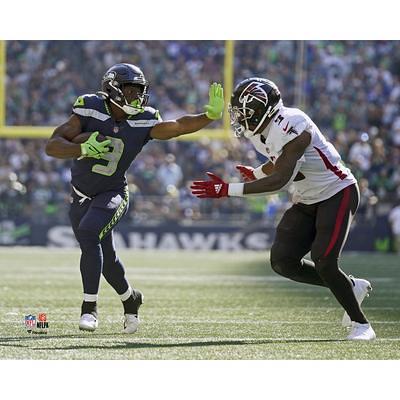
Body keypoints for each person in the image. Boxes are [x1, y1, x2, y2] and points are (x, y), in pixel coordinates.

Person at [191, 77, 375, 341]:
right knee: (282, 261)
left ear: (263, 109)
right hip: (306, 198)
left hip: (337, 192)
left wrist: (226, 189)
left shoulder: (293, 124)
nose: (240, 119)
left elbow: (280, 179)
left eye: (245, 114)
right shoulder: (262, 131)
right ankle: (351, 286)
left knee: (323, 259)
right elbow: (278, 161)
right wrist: (256, 172)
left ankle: (362, 325)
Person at [45, 63, 224, 333]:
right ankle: (131, 299)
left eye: (139, 91)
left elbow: (177, 127)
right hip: (80, 195)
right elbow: (52, 145)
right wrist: (81, 148)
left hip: (113, 192)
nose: (136, 97)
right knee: (108, 259)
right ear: (112, 89)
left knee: (90, 232)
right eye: (130, 90)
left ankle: (89, 308)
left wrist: (208, 116)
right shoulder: (89, 108)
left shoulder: (144, 119)